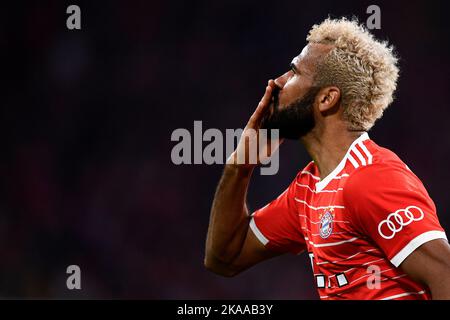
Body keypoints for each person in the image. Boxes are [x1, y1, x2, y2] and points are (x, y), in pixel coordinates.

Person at [204, 17, 450, 300]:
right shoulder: (307, 190)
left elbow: (444, 274)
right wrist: (240, 166)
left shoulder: (371, 178)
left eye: (294, 71)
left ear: (326, 99)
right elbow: (224, 258)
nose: (277, 82)